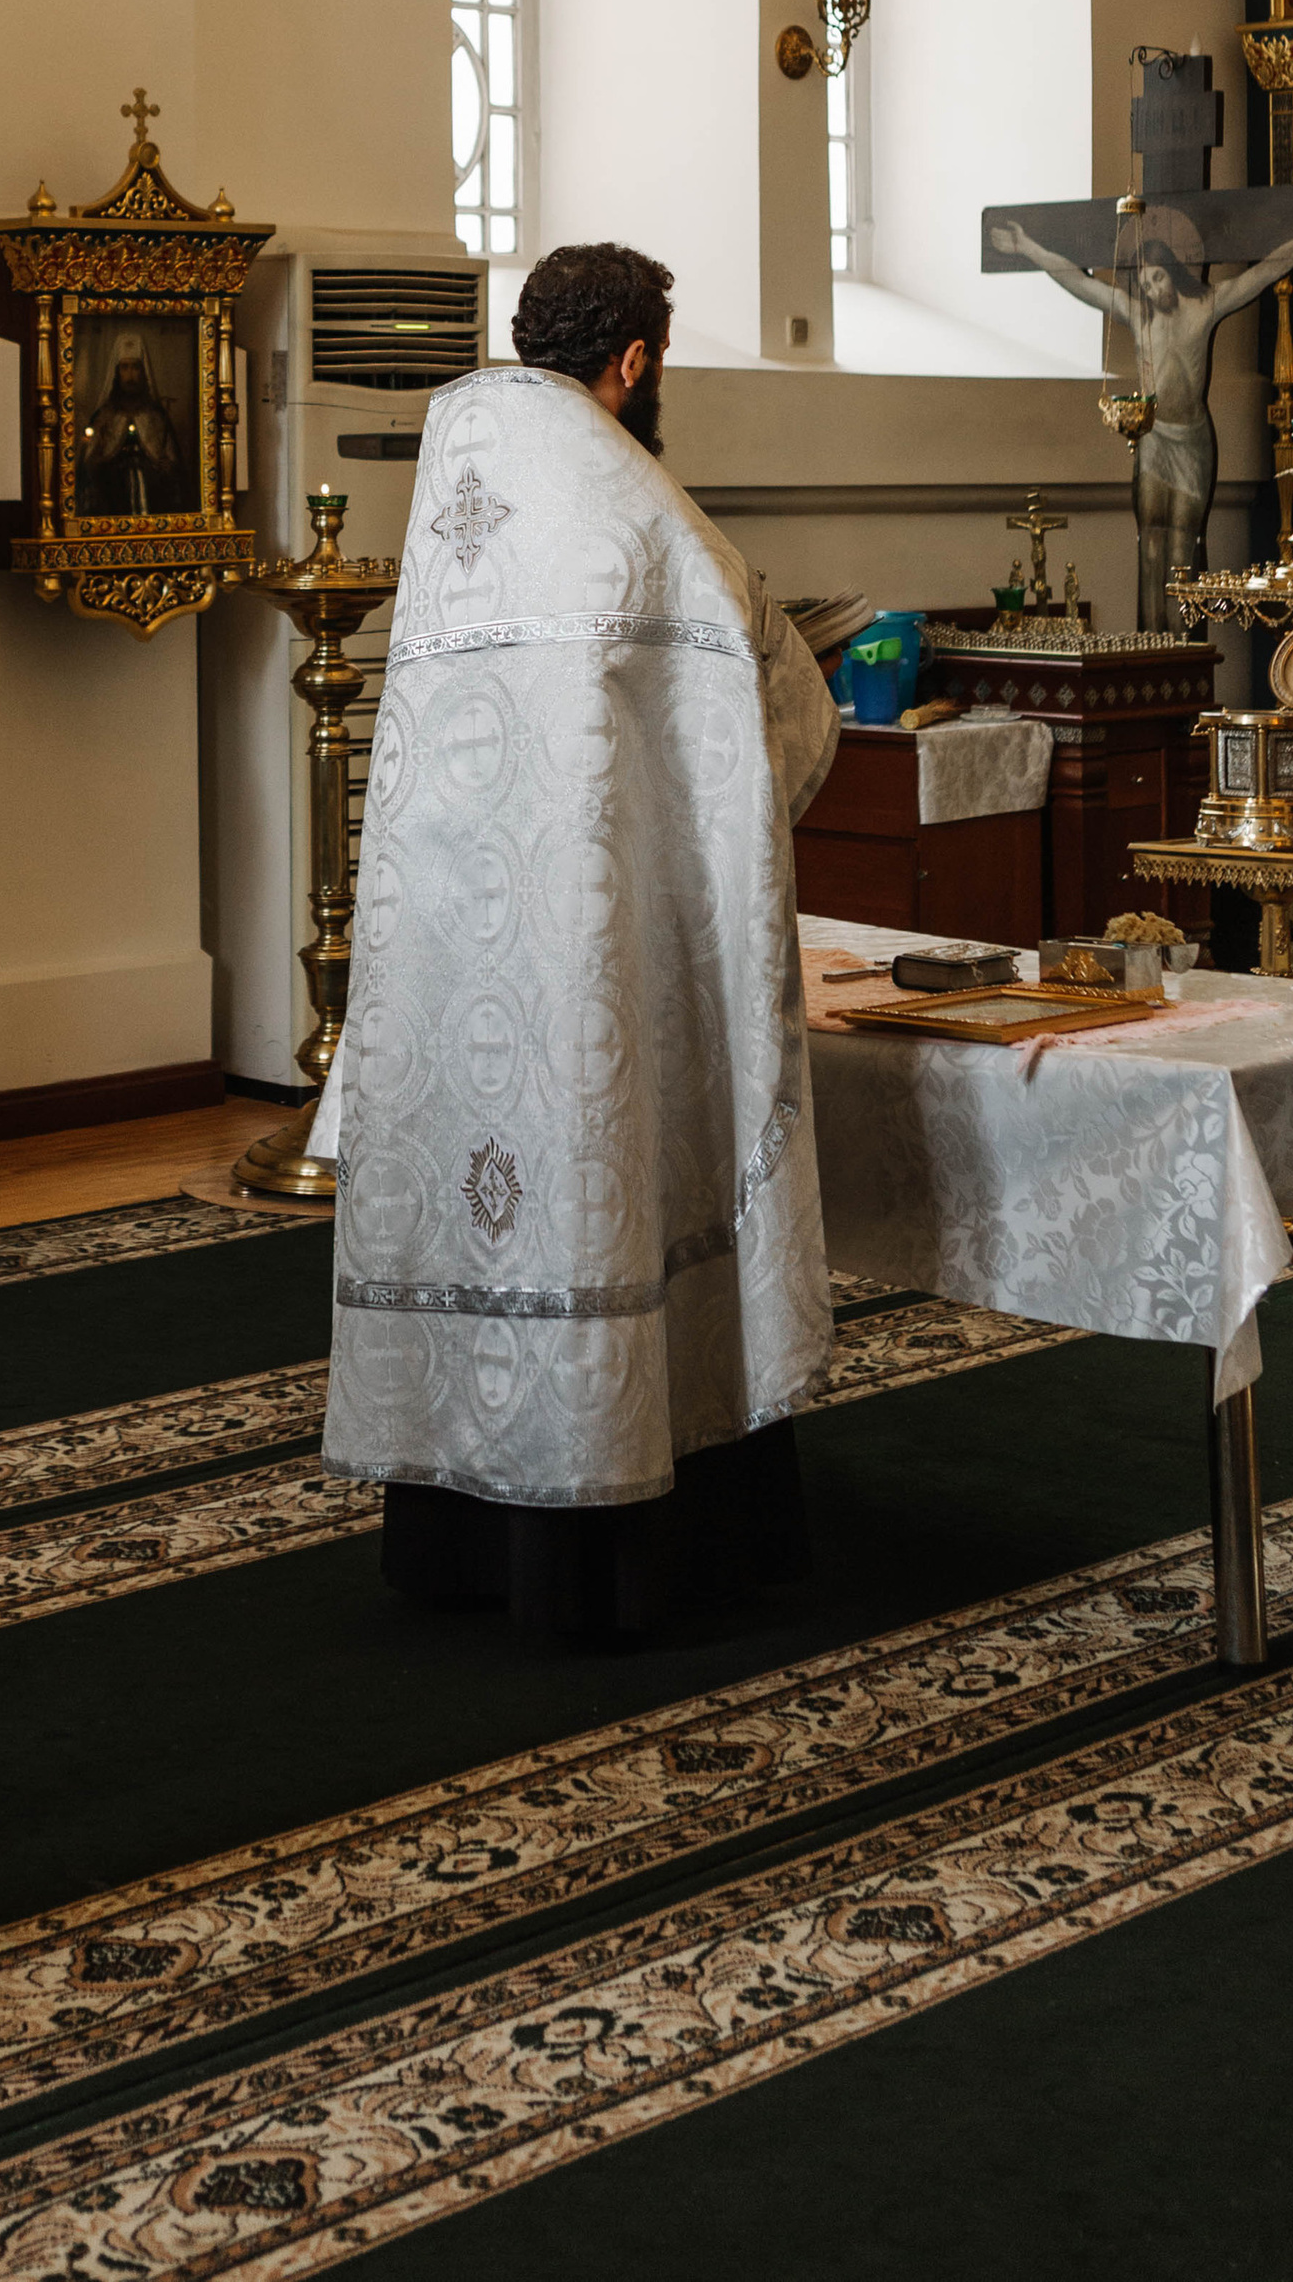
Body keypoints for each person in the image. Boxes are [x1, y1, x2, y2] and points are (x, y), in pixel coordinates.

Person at [314, 241, 841, 1645]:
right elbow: (764, 714)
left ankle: (461, 1547)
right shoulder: (640, 507)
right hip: (600, 958)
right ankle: (629, 1551)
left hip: (461, 959)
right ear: (635, 363)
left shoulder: (461, 492)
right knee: (612, 1175)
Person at [984, 189, 1293, 627]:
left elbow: (1266, 270)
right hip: (1152, 438)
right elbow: (1080, 283)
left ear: (1173, 273)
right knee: (1149, 539)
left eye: (1158, 279)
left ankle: (1185, 645)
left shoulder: (1206, 306)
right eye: (1145, 283)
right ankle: (1152, 638)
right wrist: (1026, 246)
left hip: (1192, 440)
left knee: (1185, 540)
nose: (1152, 289)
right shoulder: (1137, 315)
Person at [79, 330, 191, 513]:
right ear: (117, 372)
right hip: (112, 493)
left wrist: (164, 467)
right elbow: (89, 462)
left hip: (154, 493)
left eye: (135, 367)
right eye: (125, 368)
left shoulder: (157, 416)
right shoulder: (104, 415)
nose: (130, 375)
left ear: (142, 371)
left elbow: (173, 463)